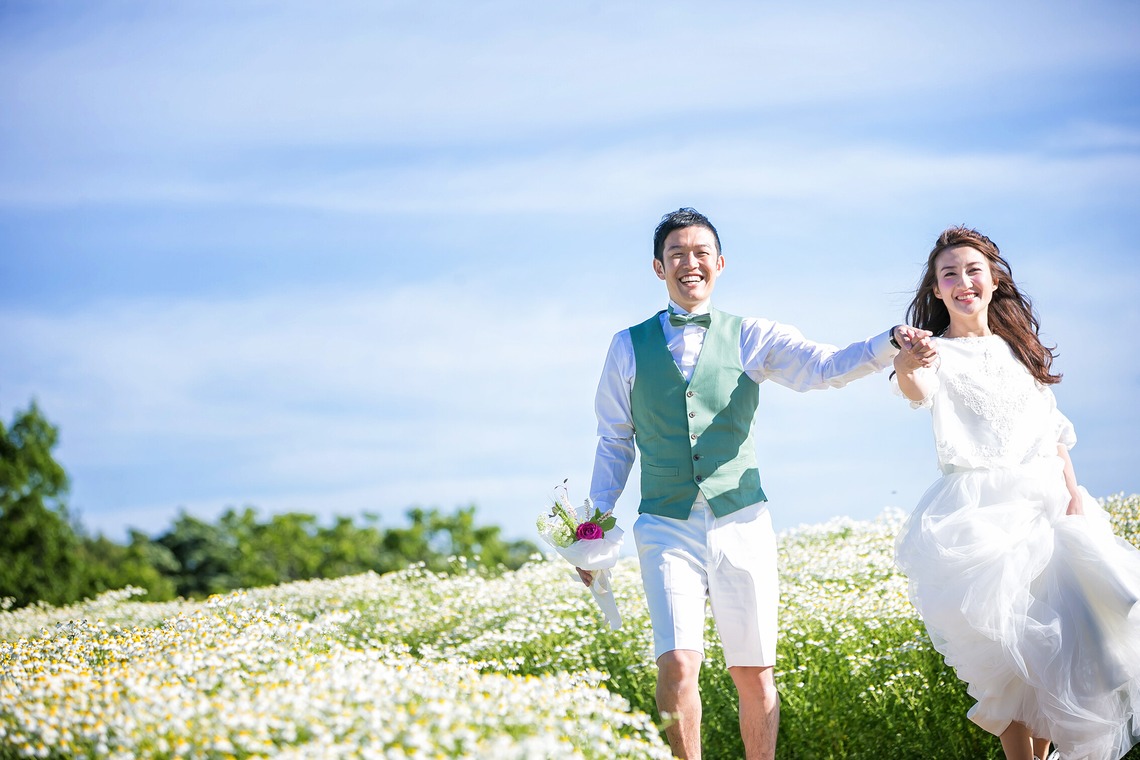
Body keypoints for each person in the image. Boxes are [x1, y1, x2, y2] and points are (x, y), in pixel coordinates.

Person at [579, 207, 925, 760]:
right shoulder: (625, 346)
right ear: (657, 267)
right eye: (676, 255)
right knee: (676, 663)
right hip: (665, 523)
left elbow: (827, 365)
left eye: (699, 254)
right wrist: (593, 524)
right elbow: (614, 440)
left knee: (754, 672)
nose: (688, 264)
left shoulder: (754, 335)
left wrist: (890, 341)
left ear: (719, 263)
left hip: (743, 520)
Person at [892, 225, 1140, 760]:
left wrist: (1074, 499)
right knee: (1005, 651)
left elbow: (1053, 433)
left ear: (994, 278)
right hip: (980, 515)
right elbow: (915, 390)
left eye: (972, 270)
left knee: (1061, 647)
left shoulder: (1018, 349)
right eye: (949, 275)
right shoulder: (935, 351)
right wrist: (907, 362)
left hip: (1051, 507)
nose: (963, 282)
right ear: (936, 290)